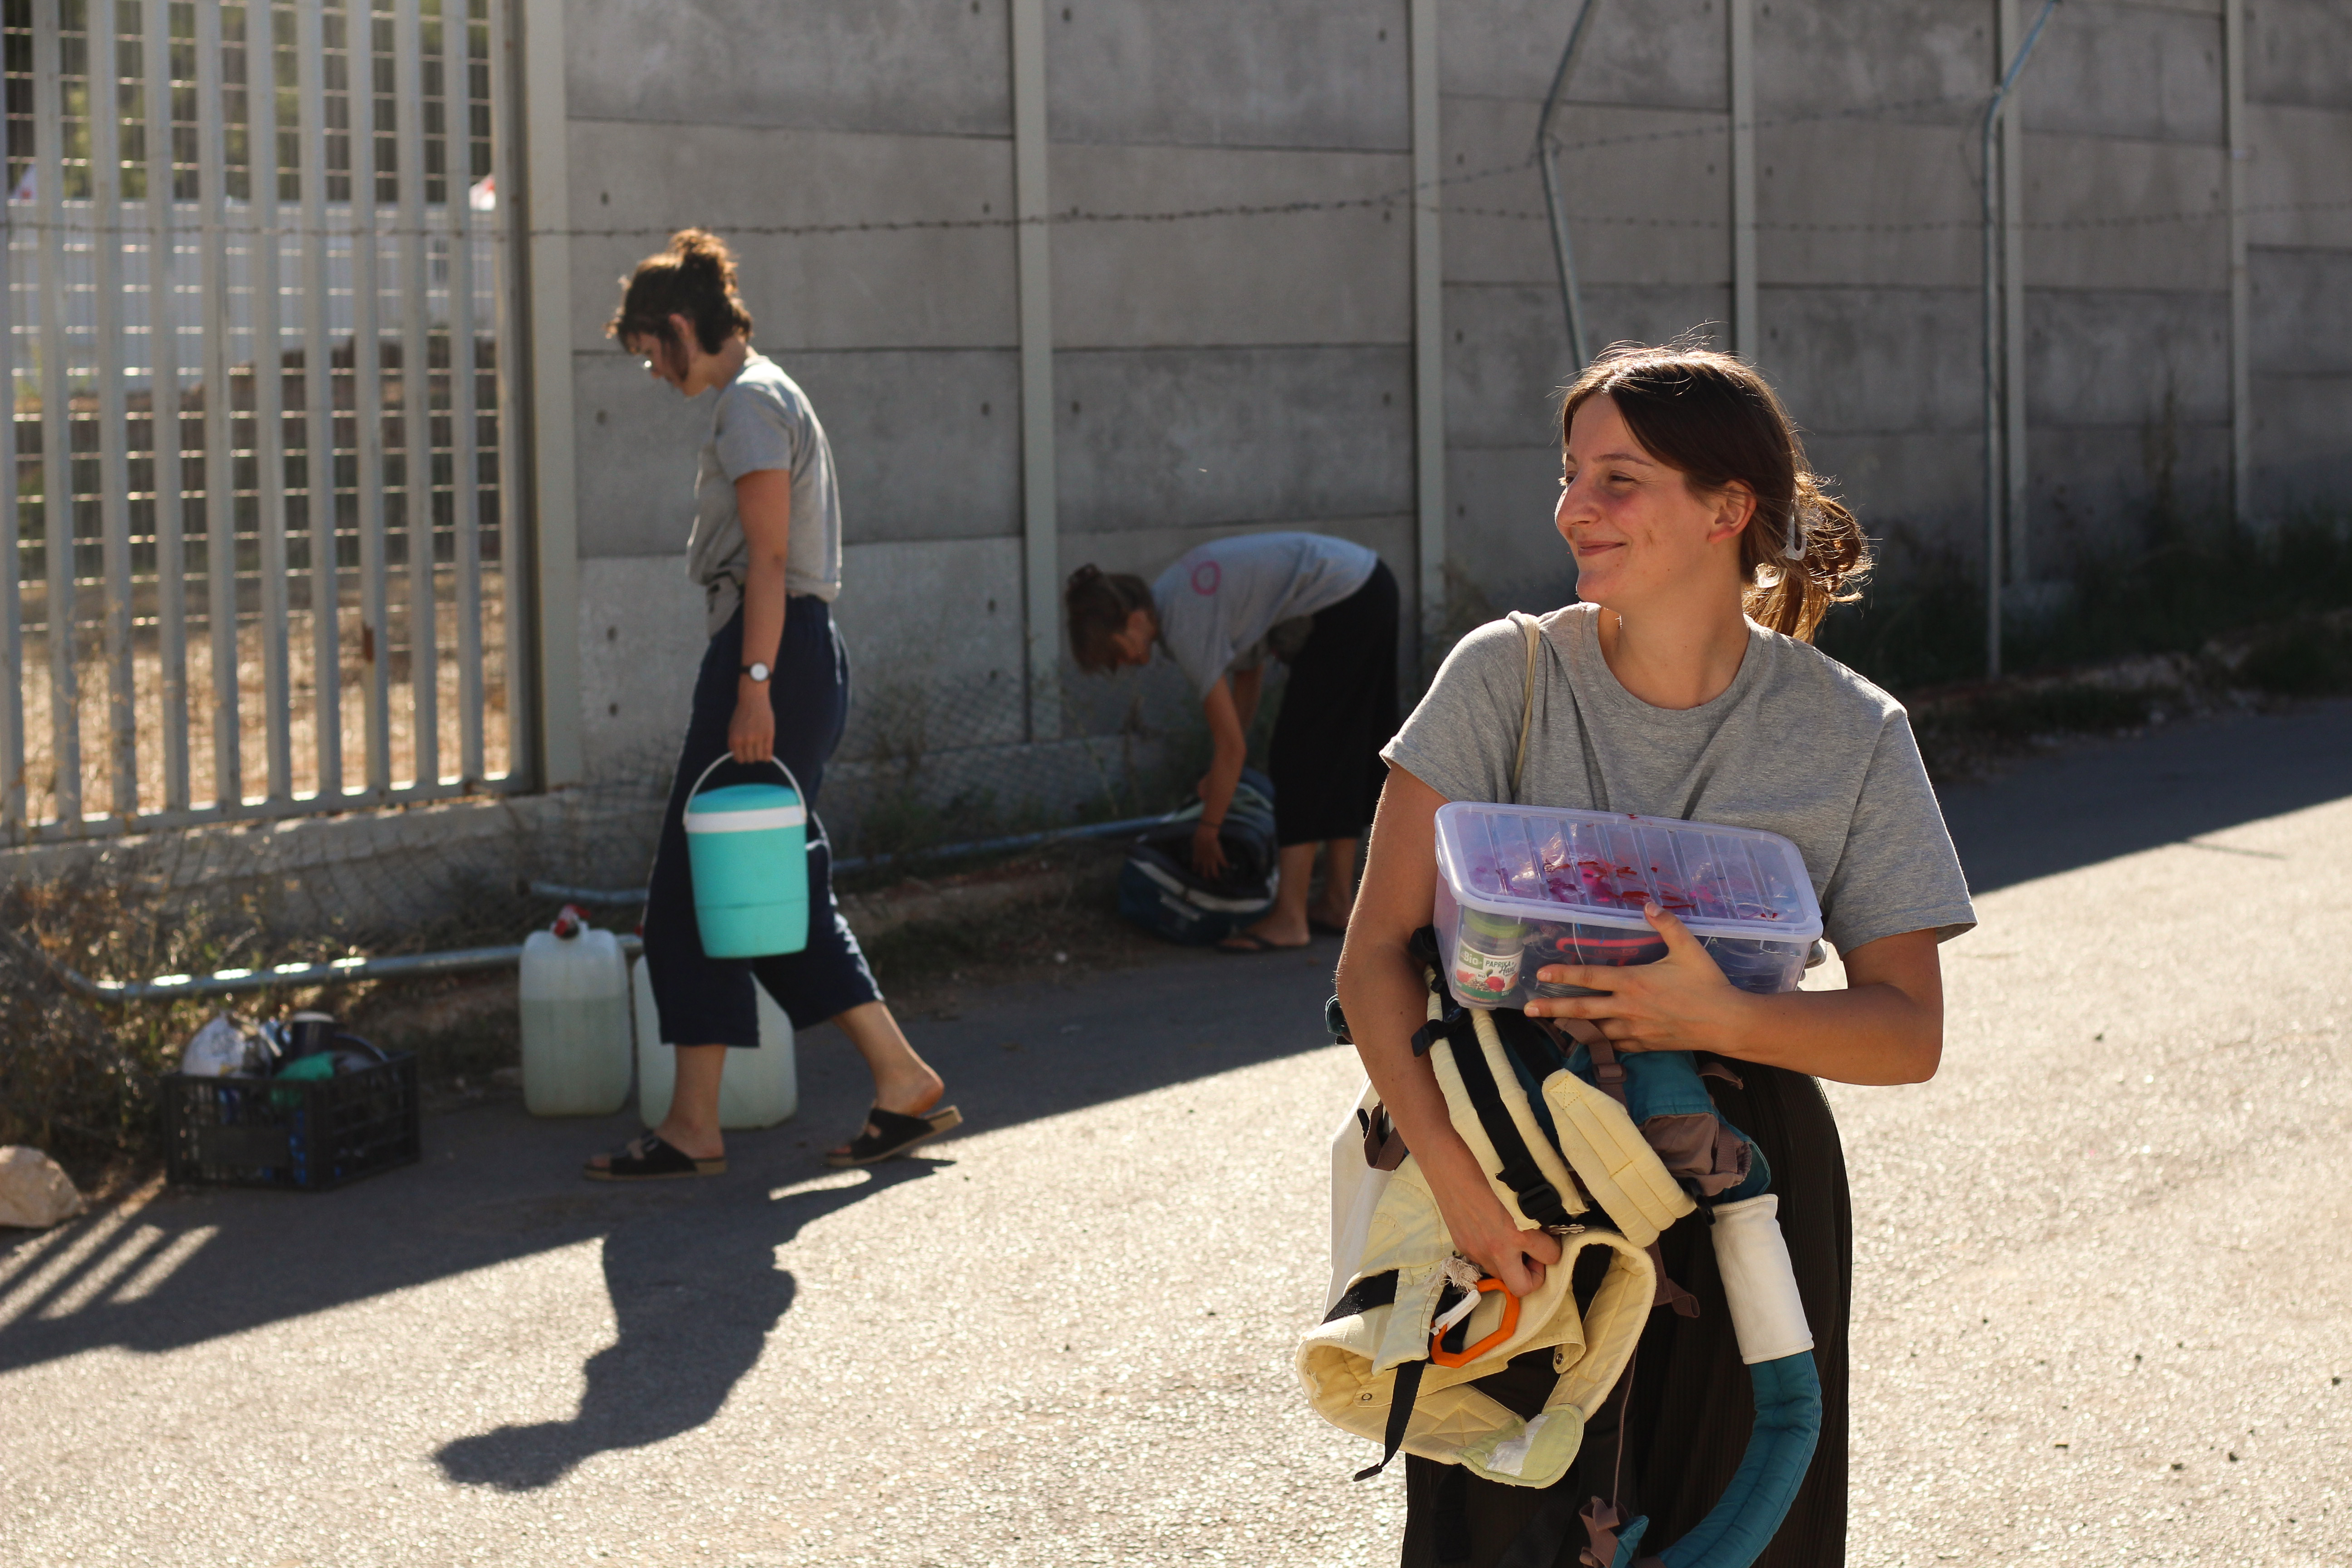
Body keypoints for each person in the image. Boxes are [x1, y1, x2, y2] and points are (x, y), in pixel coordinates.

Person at [1333, 343, 1976, 1566]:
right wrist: (1466, 1201)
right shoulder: (1501, 677)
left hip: (1752, 1196)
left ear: (1728, 508)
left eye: (1617, 480)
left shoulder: (1850, 732)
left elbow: (1908, 1029)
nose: (1574, 508)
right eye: (1571, 474)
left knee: (1741, 1531)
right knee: (1506, 1536)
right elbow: (1372, 964)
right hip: (1516, 1184)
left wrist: (1709, 1018)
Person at [585, 229, 957, 1180]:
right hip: (788, 657)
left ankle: (694, 1126)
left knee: (691, 893)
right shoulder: (768, 393)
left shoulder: (749, 407)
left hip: (772, 657)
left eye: (650, 355)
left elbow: (769, 561)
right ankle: (900, 1079)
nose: (655, 375)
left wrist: (751, 689)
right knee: (768, 891)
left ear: (679, 328)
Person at [1064, 533, 1399, 951]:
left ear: (1132, 620)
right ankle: (1336, 902)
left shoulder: (1183, 622)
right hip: (1368, 584)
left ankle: (1291, 918)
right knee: (1338, 753)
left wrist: (1209, 830)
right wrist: (1220, 773)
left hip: (1346, 600)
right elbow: (1249, 673)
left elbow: (1232, 748)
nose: (1122, 665)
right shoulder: (1175, 597)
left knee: (1300, 759)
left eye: (1115, 652)